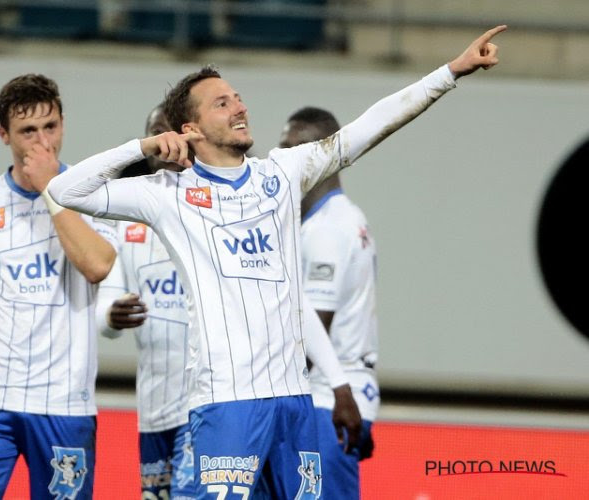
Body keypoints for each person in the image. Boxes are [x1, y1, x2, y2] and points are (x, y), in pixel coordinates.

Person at [47, 26, 505, 499]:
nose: (240, 107)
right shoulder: (167, 195)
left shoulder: (284, 172)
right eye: (221, 103)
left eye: (238, 97)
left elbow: (370, 126)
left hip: (293, 404)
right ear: (190, 129)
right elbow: (64, 191)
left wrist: (451, 72)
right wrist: (140, 148)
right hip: (227, 404)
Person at [0, 74, 117, 499]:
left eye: (50, 127)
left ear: (63, 124)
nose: (41, 141)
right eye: (27, 131)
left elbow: (97, 265)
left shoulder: (95, 193)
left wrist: (52, 189)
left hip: (63, 405)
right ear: (3, 135)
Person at [96, 104, 196, 500]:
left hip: (204, 401)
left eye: (170, 130)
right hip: (154, 405)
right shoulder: (128, 220)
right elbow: (105, 305)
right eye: (154, 132)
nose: (162, 140)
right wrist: (111, 314)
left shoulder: (215, 210)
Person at [280, 107, 379, 499]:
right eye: (283, 148)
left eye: (297, 147)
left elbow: (312, 329)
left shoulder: (328, 230)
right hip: (337, 393)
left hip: (327, 400)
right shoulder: (332, 219)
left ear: (329, 155)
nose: (287, 158)